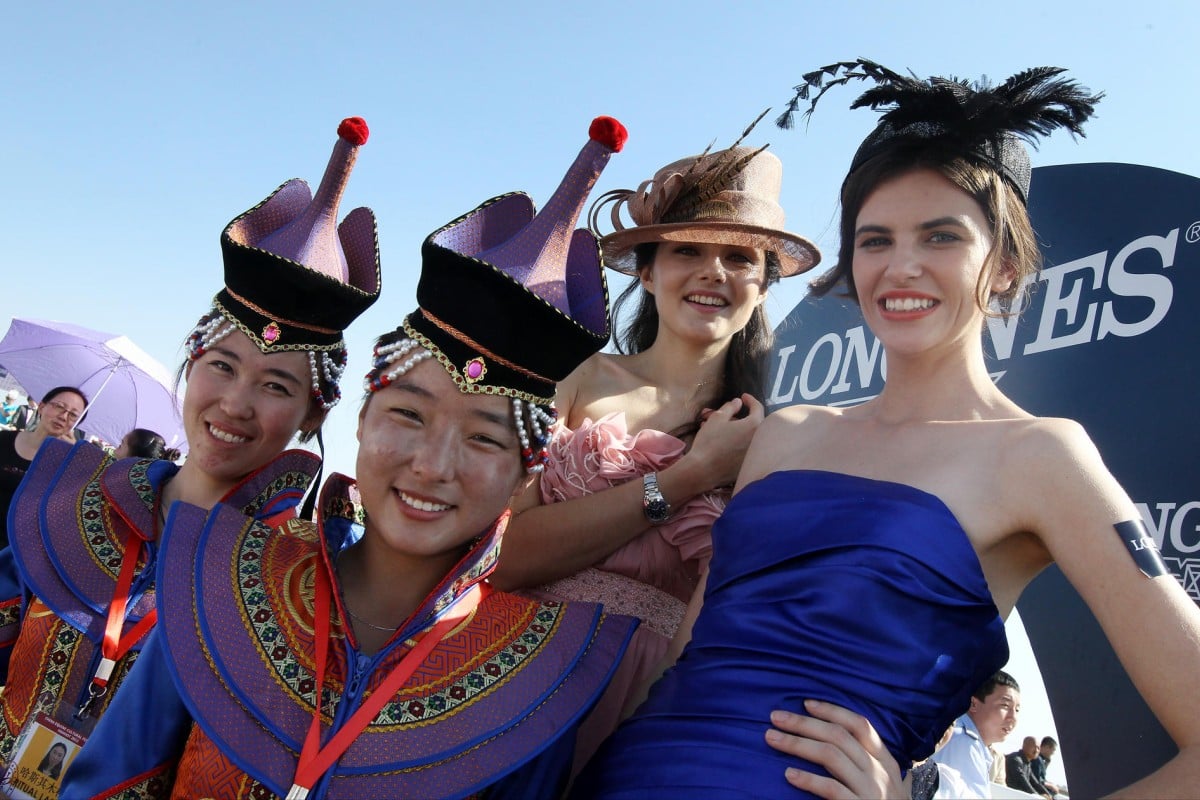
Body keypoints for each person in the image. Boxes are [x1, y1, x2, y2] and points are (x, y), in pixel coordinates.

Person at [575, 60, 1200, 798]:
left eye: (940, 237)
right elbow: (690, 649)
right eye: (875, 241)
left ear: (1002, 265)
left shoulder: (1040, 456)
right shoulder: (786, 432)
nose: (901, 268)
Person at [62, 116, 639, 799]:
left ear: (528, 466)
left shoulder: (539, 678)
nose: (431, 463)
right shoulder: (220, 582)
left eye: (484, 436)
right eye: (408, 415)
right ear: (361, 421)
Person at [0, 116, 381, 776]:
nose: (234, 404)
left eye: (274, 385)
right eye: (223, 367)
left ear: (313, 410)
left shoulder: (303, 587)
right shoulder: (72, 504)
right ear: (193, 360)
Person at [491, 116, 821, 766]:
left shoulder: (777, 438)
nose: (713, 273)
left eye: (739, 258)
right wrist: (686, 479)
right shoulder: (576, 380)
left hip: (656, 716)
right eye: (687, 251)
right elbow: (499, 558)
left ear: (764, 286)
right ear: (647, 272)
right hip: (504, 682)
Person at [0, 385, 87, 550]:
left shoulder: (68, 465)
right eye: (59, 407)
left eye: (73, 415)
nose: (63, 416)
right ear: (41, 406)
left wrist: (75, 462)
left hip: (17, 552)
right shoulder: (4, 440)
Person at [932, 671, 1020, 798]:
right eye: (1005, 705)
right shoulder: (964, 742)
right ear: (973, 704)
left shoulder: (964, 738)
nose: (1013, 717)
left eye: (1017, 710)